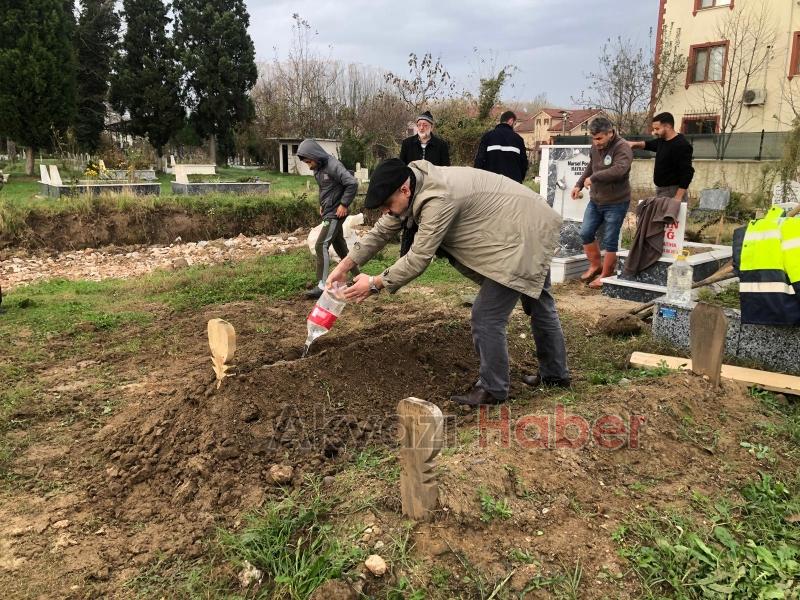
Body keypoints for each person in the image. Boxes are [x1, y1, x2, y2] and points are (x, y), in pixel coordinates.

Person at [325, 158, 571, 407]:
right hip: (528, 222)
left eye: (388, 205)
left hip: (523, 236)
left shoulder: (438, 200)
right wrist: (343, 267)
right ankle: (555, 374)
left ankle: (493, 389)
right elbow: (380, 232)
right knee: (540, 303)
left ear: (404, 190)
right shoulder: (414, 185)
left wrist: (375, 283)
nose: (386, 212)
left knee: (486, 316)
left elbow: (418, 258)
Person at [573, 117, 633, 288]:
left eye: (599, 138)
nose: (596, 142)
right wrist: (579, 184)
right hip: (596, 200)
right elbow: (591, 166)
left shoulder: (622, 148)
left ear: (610, 133)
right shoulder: (595, 147)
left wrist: (594, 178)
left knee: (610, 239)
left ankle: (606, 275)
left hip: (616, 201)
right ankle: (595, 265)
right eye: (593, 138)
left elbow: (619, 170)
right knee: (585, 232)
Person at [296, 139, 360, 299]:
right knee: (340, 247)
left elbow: (352, 183)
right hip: (328, 210)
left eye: (309, 162)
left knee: (321, 245)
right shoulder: (318, 167)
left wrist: (344, 204)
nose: (308, 166)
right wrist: (322, 204)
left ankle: (322, 285)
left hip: (335, 213)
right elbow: (325, 188)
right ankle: (358, 277)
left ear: (314, 156)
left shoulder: (333, 165)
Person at [628, 112, 694, 200]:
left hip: (673, 191)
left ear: (667, 126)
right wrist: (633, 144)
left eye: (657, 129)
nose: (654, 132)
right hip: (661, 190)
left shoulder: (681, 145)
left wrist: (678, 197)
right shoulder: (662, 141)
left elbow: (687, 173)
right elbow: (648, 144)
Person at [473, 110, 529, 183]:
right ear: (511, 121)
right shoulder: (518, 139)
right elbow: (524, 164)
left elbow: (479, 160)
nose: (514, 126)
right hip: (513, 184)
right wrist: (520, 178)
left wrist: (479, 180)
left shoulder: (487, 136)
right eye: (514, 124)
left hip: (491, 183)